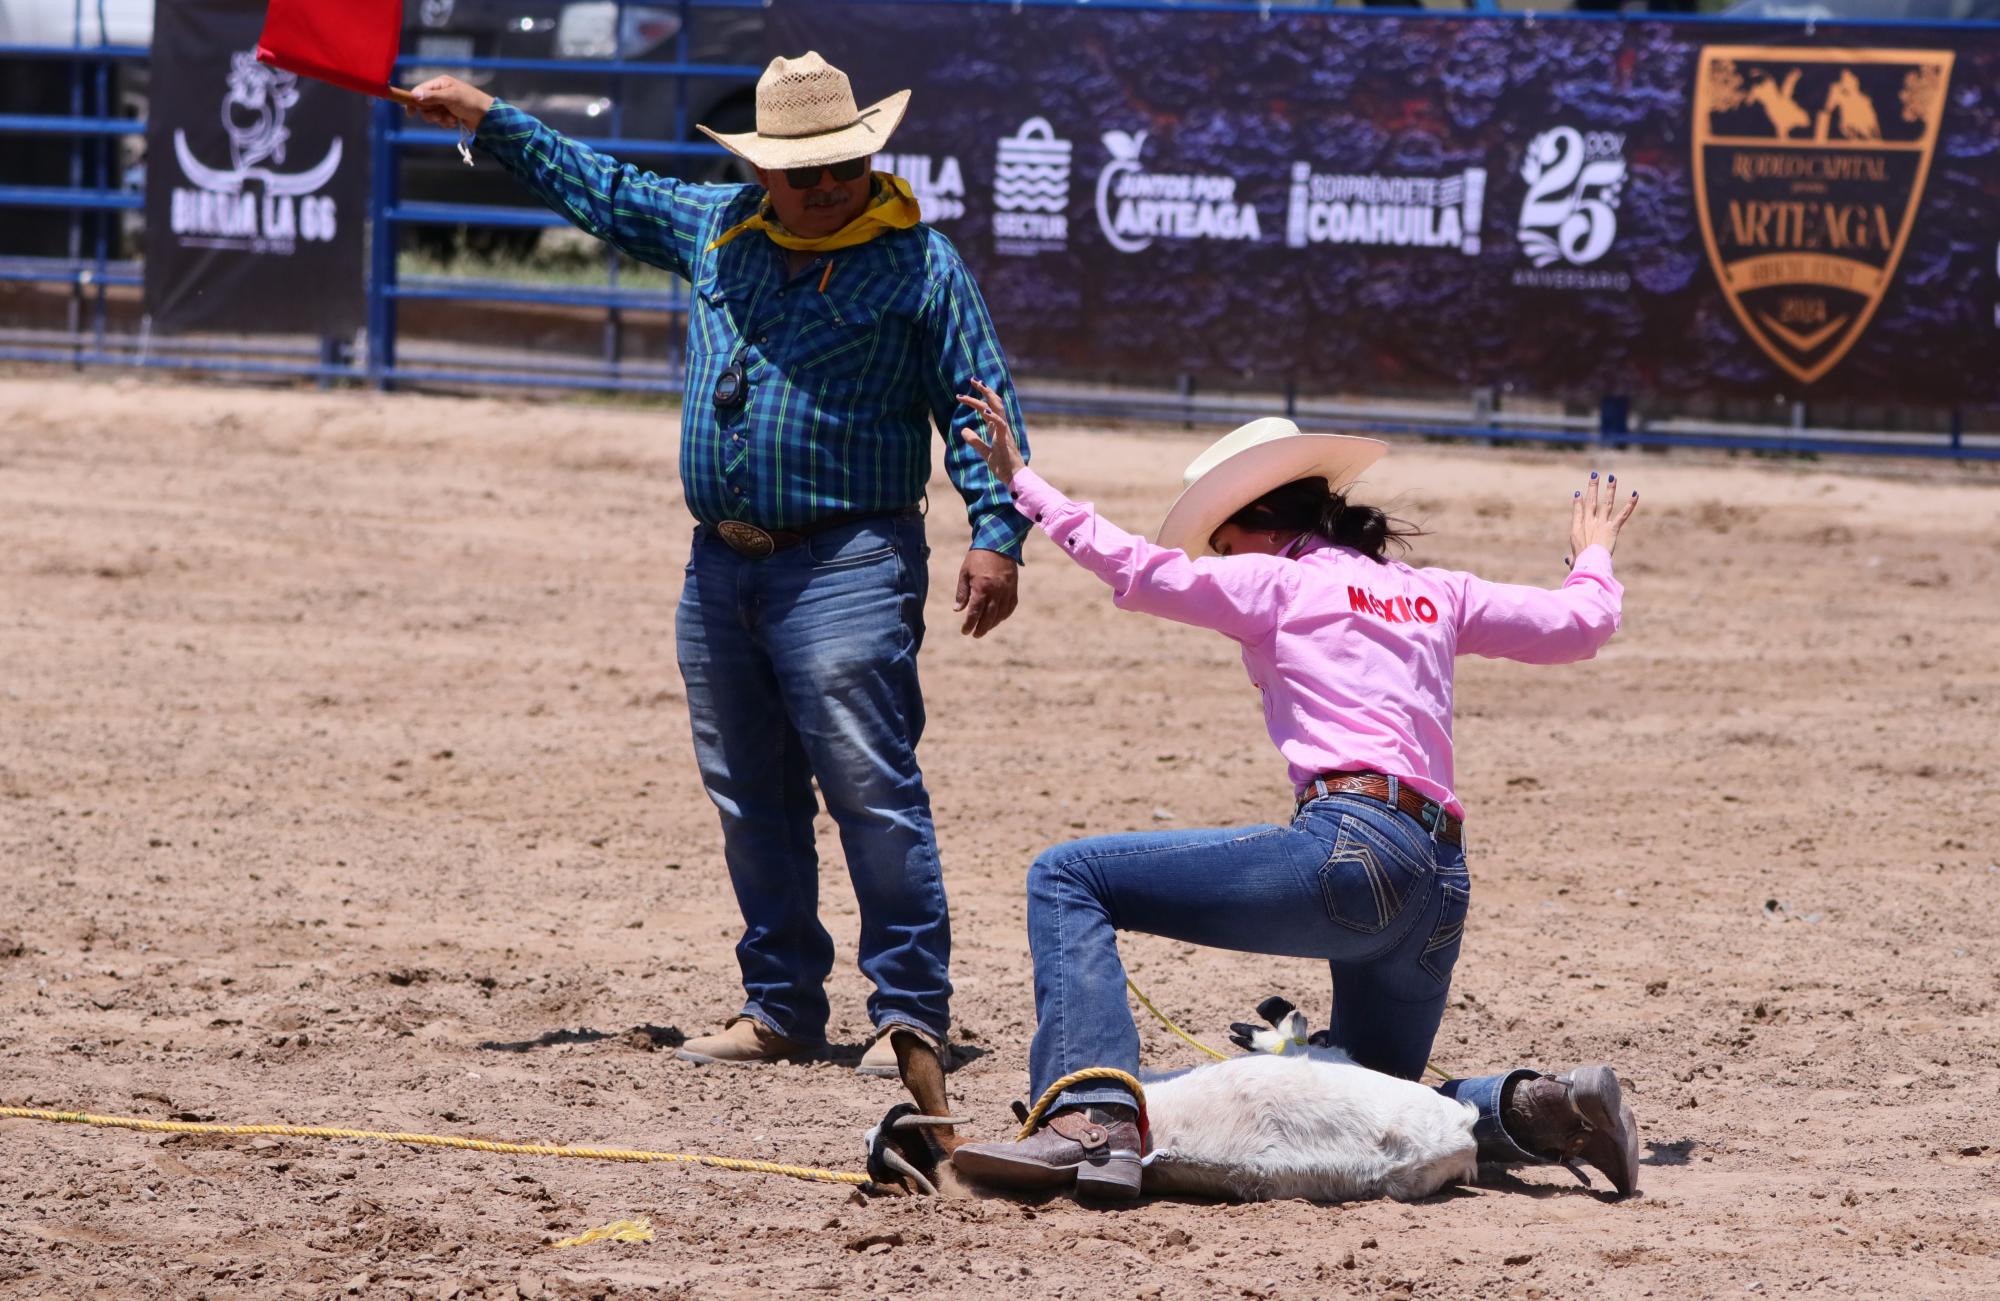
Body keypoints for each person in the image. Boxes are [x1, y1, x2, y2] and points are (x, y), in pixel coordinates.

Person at [405, 54, 1032, 1078]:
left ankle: (911, 1010)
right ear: (763, 174)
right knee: (751, 793)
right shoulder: (714, 227)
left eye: (843, 164)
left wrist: (997, 531)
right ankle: (780, 1004)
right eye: (804, 171)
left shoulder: (920, 263)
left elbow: (977, 406)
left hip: (850, 558)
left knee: (870, 786)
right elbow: (597, 186)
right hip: (722, 564)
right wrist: (489, 116)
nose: (828, 185)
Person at [945, 381, 1644, 1201]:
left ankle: (1091, 1119)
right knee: (1362, 1105)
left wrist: (1022, 481)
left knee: (1068, 876)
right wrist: (1591, 552)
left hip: (1352, 850)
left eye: (1223, 541)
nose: (1219, 557)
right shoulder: (1434, 593)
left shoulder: (1276, 584)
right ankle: (1536, 1108)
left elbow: (1136, 566)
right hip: (1439, 885)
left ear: (1255, 528)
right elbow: (1582, 623)